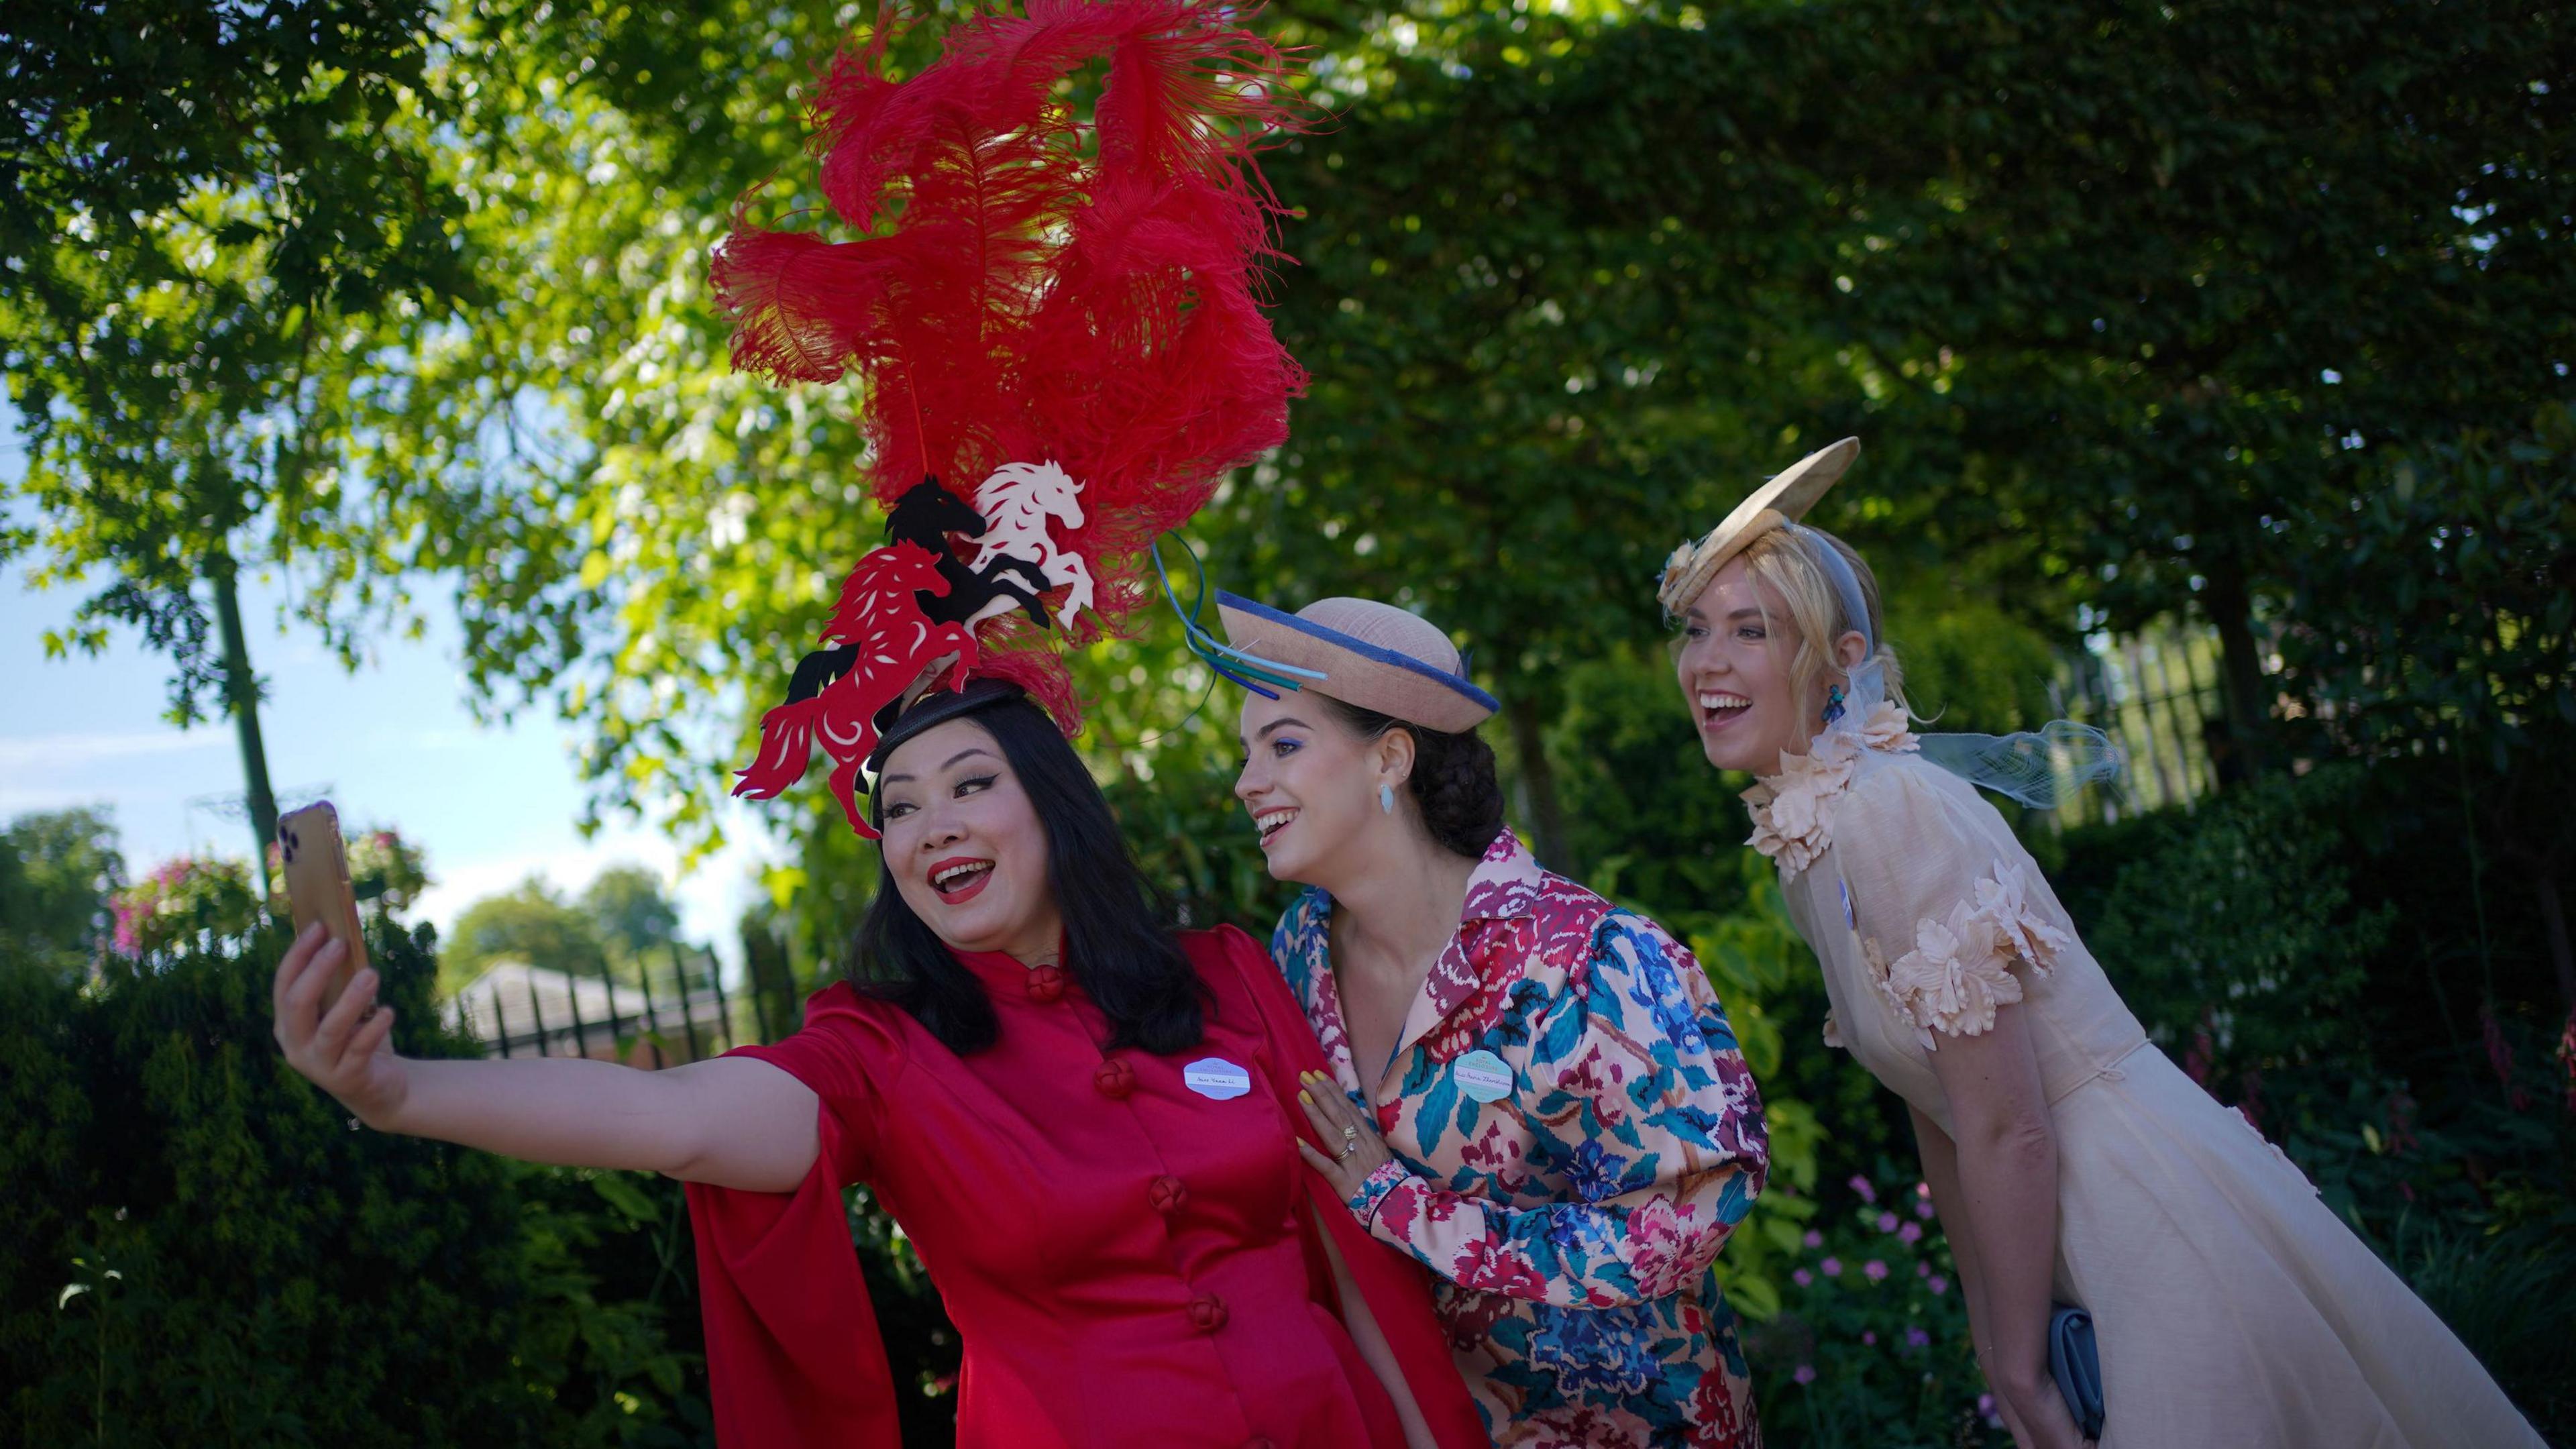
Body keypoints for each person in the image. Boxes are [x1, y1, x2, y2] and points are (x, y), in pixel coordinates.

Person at [274, 679, 1490, 1448]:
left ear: (1053, 809)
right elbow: (676, 1116)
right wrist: (397, 1091)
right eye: (900, 808)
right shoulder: (879, 1051)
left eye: (971, 785)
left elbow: (1351, 1254)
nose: (933, 824)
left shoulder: (1228, 973)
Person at [1658, 437, 2547, 1449]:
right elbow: (1941, 1109)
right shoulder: (1815, 828)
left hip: (2149, 1225)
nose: (1709, 663)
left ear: (1840, 661)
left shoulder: (1884, 809)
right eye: (1696, 630)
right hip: (2071, 1233)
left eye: (1750, 630)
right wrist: (1998, 1336)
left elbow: (2014, 1127)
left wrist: (2026, 1354)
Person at [1218, 592, 1771, 1449]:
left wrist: (1405, 1209)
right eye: (1246, 752)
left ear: (1389, 758)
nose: (1247, 783)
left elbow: (1688, 1216)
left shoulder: (1587, 958)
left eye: (1283, 745)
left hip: (1632, 1427)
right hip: (1412, 1421)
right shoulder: (1297, 957)